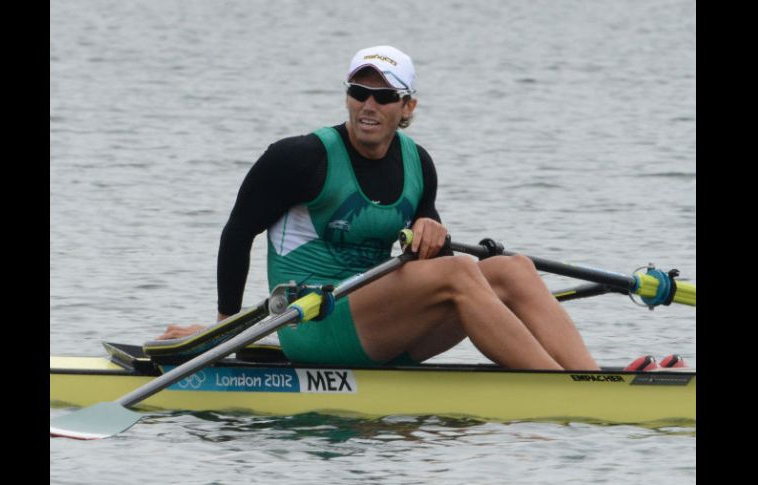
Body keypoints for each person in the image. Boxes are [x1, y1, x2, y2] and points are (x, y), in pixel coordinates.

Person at [158, 45, 600, 371]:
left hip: (384, 327)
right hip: (312, 324)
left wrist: (432, 231)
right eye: (359, 91)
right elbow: (237, 233)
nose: (369, 105)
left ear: (407, 107)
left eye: (385, 97)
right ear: (348, 96)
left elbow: (438, 269)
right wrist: (225, 329)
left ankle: (591, 380)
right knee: (465, 272)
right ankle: (558, 386)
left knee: (513, 269)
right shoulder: (299, 158)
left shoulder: (418, 163)